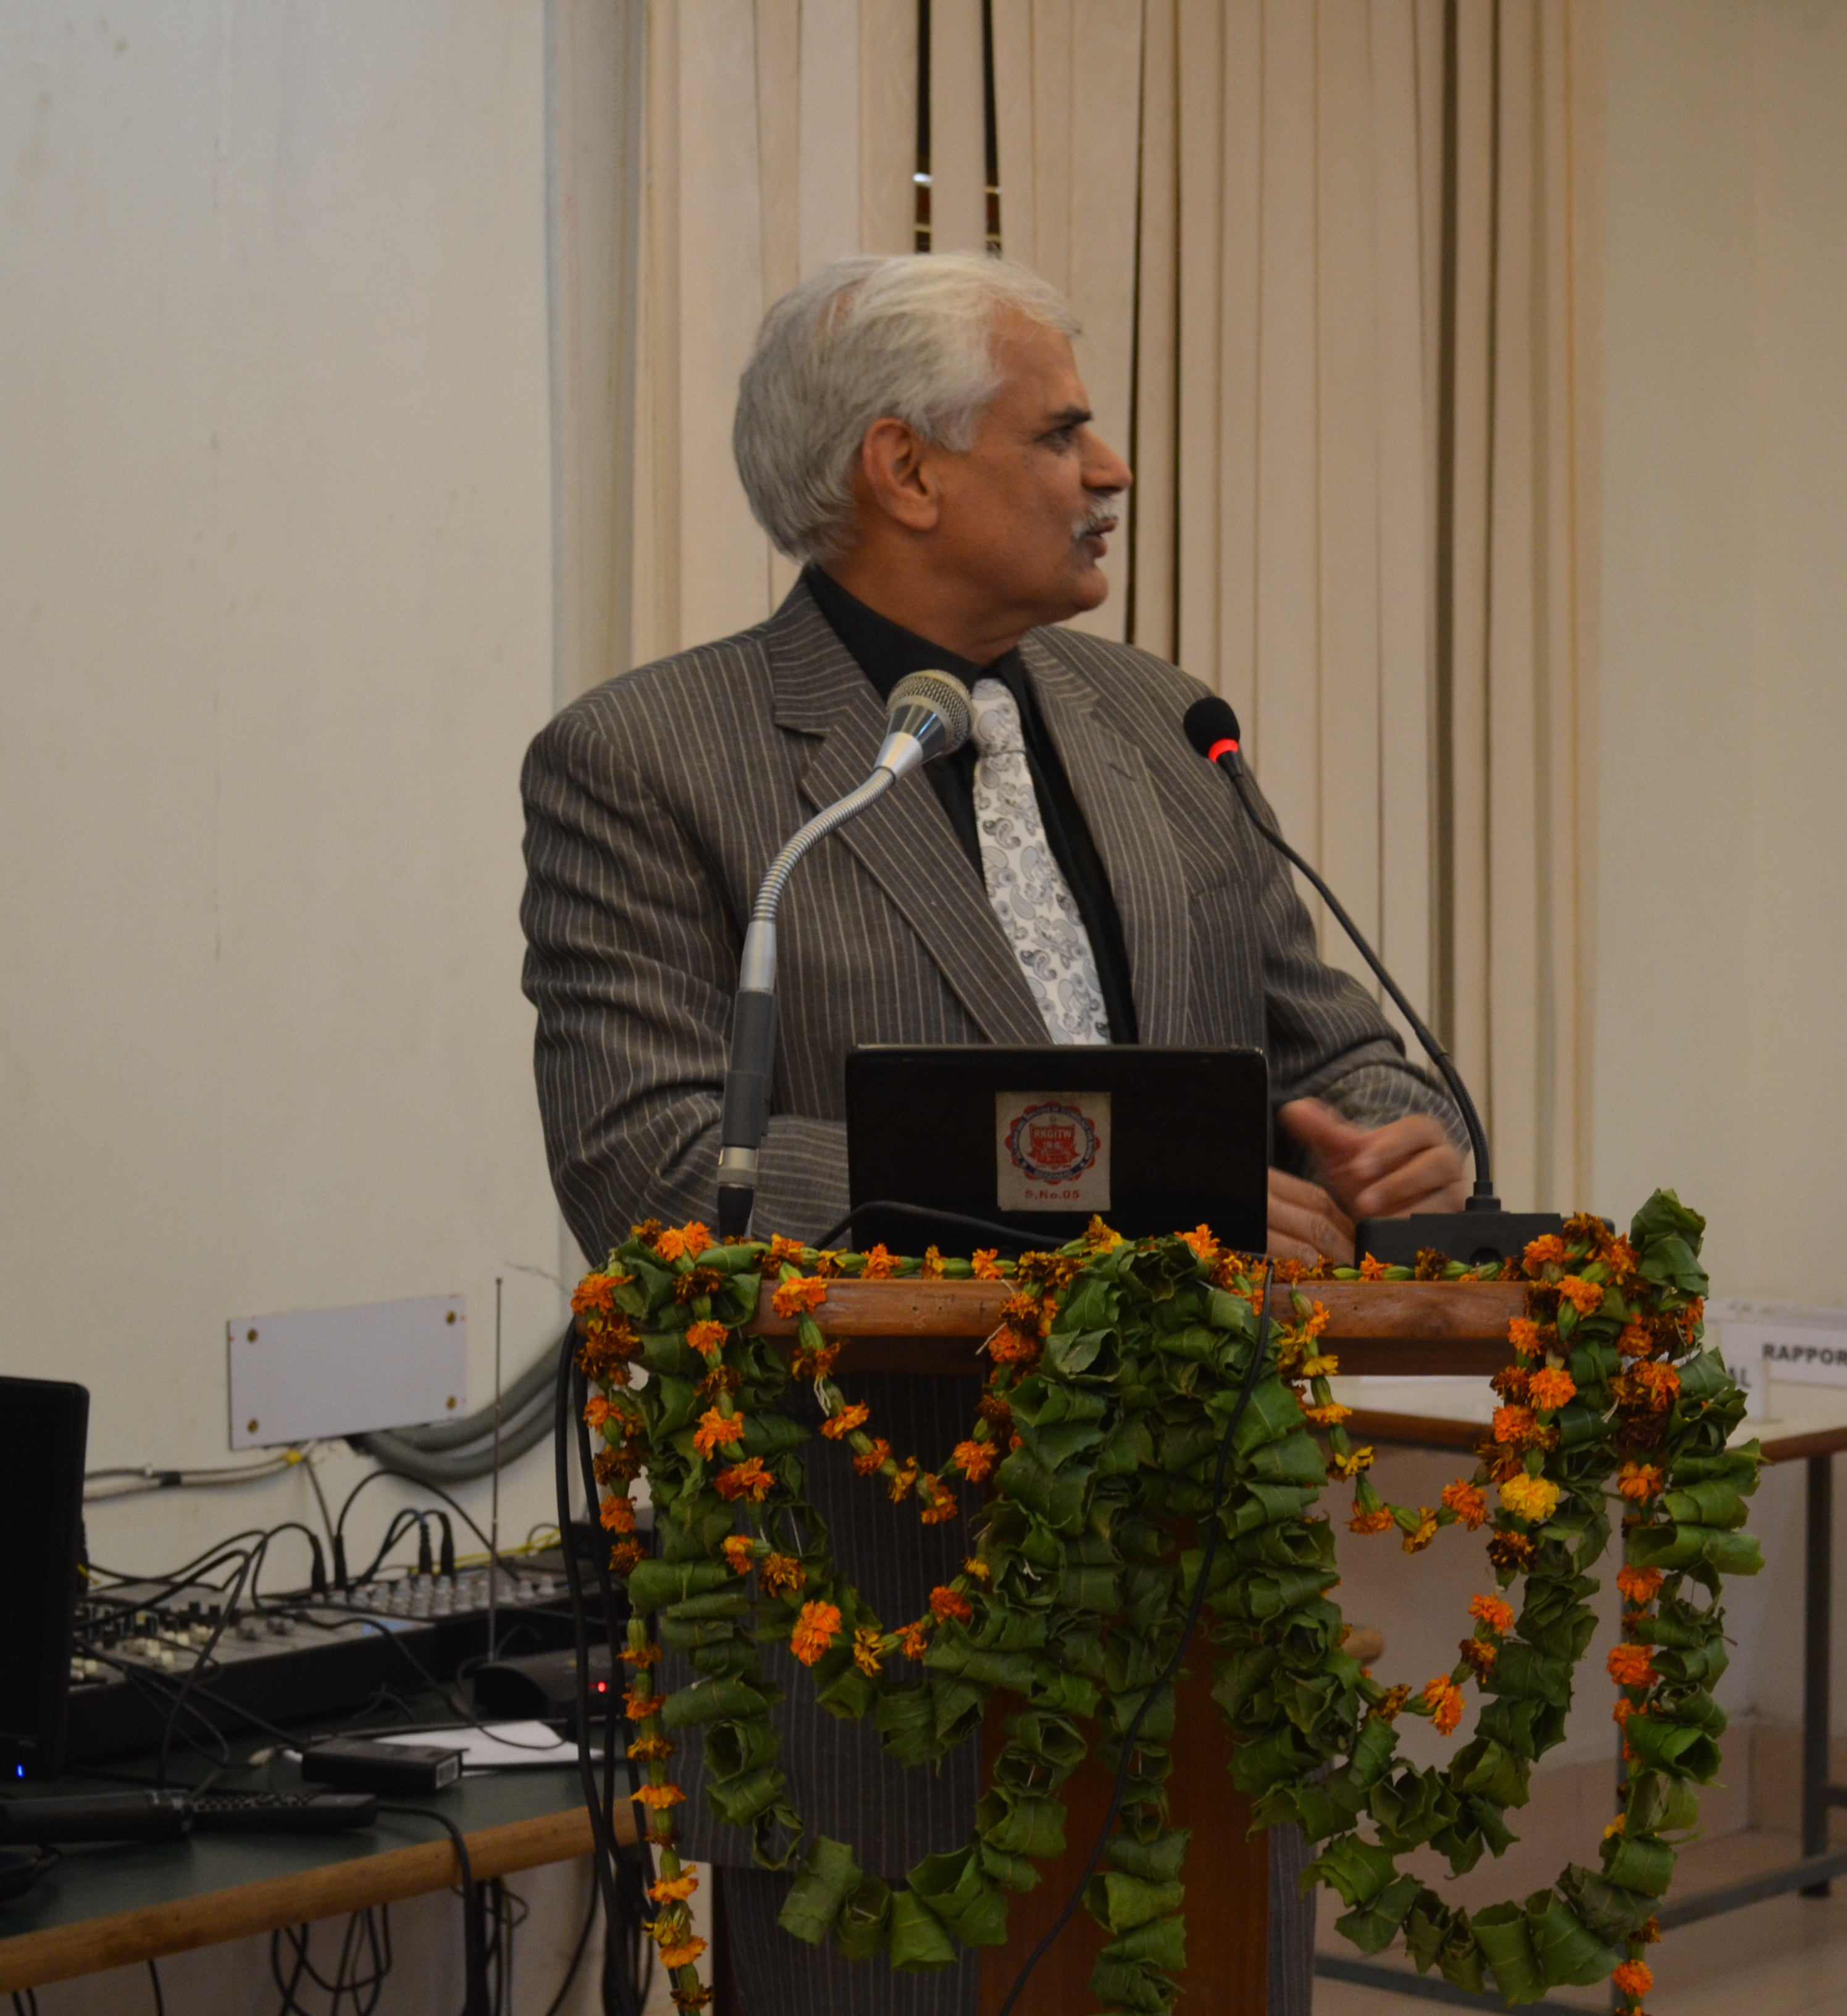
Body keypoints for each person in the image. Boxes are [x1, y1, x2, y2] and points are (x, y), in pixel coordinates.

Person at [517, 252, 1470, 2015]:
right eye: (1060, 433)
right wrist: (1147, 1204)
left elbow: (1332, 1040)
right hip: (878, 1610)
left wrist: (1400, 1136)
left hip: (1204, 1593)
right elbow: (652, 1165)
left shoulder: (1161, 721)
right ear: (905, 469)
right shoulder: (652, 759)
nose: (1111, 470)